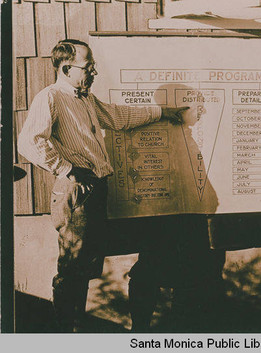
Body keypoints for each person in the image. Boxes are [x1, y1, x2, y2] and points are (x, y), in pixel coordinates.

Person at [17, 39, 188, 333]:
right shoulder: (51, 97)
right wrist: (66, 168)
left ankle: (76, 327)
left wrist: (162, 113)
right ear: (66, 68)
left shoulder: (85, 99)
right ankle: (65, 333)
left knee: (84, 265)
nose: (94, 72)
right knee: (73, 268)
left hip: (95, 190)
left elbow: (118, 117)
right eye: (88, 67)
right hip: (76, 193)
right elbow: (29, 141)